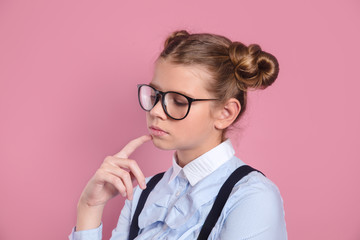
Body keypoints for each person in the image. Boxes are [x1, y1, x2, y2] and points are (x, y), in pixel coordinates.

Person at [68, 30, 287, 240]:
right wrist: (90, 207)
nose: (155, 111)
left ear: (225, 113)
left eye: (179, 101)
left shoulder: (251, 197)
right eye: (155, 95)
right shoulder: (145, 193)